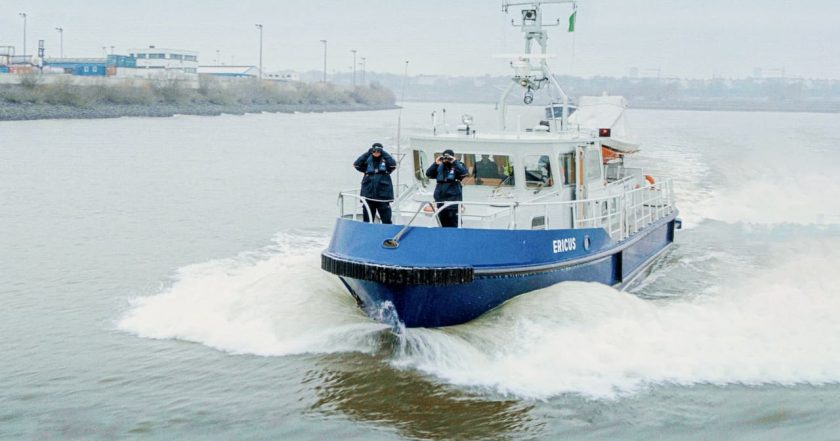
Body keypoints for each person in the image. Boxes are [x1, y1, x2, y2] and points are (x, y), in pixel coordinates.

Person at [353, 143, 397, 223]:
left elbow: (393, 165)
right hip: (369, 196)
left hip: (383, 197)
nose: (376, 152)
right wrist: (367, 153)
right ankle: (367, 234)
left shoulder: (387, 161)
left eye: (378, 150)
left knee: (386, 220)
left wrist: (383, 152)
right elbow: (356, 164)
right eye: (374, 150)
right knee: (367, 221)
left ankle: (387, 233)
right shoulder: (367, 161)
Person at [425, 149, 468, 227]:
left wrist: (454, 162)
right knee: (442, 222)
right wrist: (435, 163)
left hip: (453, 199)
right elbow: (428, 174)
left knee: (454, 221)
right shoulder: (439, 166)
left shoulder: (458, 165)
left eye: (449, 157)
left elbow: (464, 173)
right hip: (440, 199)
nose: (446, 159)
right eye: (445, 157)